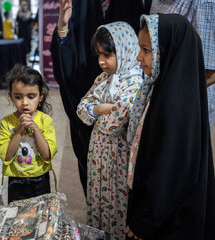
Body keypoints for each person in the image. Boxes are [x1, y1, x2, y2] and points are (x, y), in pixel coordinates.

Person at [125, 14, 215, 240]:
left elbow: (171, 173)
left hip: (168, 222)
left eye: (146, 50)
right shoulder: (163, 88)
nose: (139, 57)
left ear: (170, 51)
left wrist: (146, 219)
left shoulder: (176, 104)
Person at [50, 0, 150, 197]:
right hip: (85, 97)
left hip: (124, 132)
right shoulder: (81, 5)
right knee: (94, 177)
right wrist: (63, 26)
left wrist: (97, 109)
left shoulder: (129, 7)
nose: (102, 61)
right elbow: (67, 58)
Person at [76, 22, 143, 239]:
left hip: (118, 156)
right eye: (99, 55)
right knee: (98, 198)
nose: (101, 62)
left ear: (125, 50)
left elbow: (113, 125)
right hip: (98, 154)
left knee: (116, 202)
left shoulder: (134, 81)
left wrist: (96, 110)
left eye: (107, 55)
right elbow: (81, 111)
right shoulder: (104, 79)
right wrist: (101, 108)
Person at [0, 64, 57, 204]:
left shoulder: (45, 121)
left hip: (40, 178)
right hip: (16, 180)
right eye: (18, 97)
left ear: (40, 96)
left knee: (41, 215)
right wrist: (19, 131)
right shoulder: (7, 122)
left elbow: (47, 154)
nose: (25, 103)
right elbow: (6, 155)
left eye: (31, 96)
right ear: (11, 96)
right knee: (18, 217)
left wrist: (35, 129)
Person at [150, 0, 215, 130]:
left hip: (185, 104)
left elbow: (207, 70)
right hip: (158, 92)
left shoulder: (203, 3)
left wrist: (171, 96)